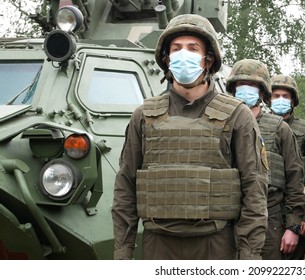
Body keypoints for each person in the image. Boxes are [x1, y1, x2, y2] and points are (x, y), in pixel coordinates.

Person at [111, 14, 269, 260]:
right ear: (166, 59)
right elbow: (125, 188)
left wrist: (249, 255)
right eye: (176, 49)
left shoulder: (238, 115)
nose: (184, 54)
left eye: (192, 48)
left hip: (216, 244)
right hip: (157, 245)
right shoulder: (143, 115)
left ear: (208, 59)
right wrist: (123, 252)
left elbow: (254, 188)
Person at [226, 59, 305, 260]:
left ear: (262, 91)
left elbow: (295, 180)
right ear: (233, 89)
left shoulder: (280, 129)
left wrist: (293, 227)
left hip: (270, 220)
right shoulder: (221, 125)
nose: (246, 90)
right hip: (227, 220)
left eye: (253, 85)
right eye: (241, 85)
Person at [269, 74, 305, 260]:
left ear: (293, 100)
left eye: (285, 96)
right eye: (275, 96)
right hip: (268, 207)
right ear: (268, 98)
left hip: (295, 207)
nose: (280, 99)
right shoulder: (257, 125)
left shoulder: (304, 129)